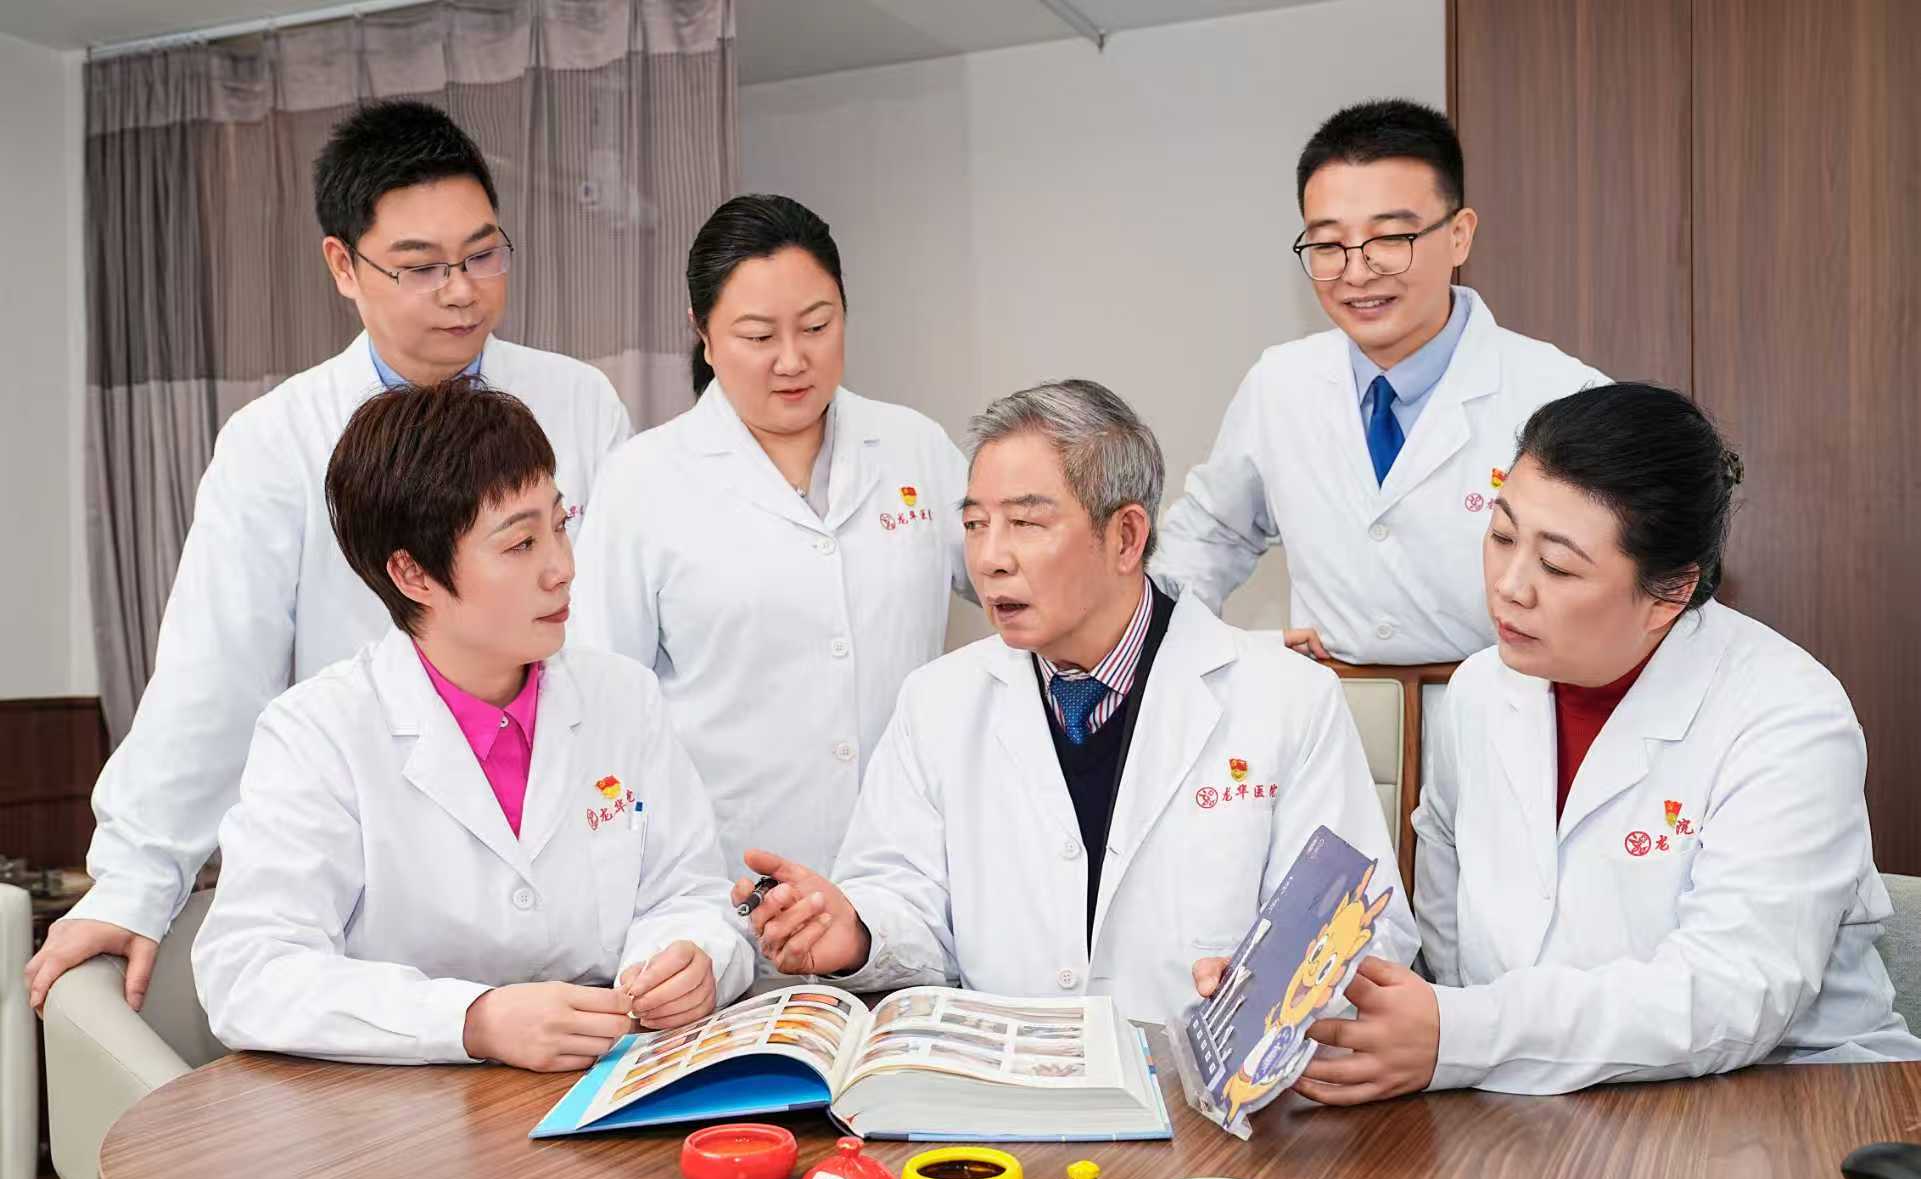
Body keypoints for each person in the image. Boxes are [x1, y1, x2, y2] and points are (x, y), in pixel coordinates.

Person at [27, 100, 630, 1013]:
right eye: (420, 267)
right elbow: (213, 677)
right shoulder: (276, 441)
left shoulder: (578, 403)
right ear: (343, 266)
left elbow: (614, 637)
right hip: (384, 889)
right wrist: (134, 881)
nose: (462, 292)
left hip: (569, 871)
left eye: (482, 255)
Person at [1236, 382, 1920, 1103]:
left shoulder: (1786, 716)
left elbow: (1733, 992)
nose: (1509, 586)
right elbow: (1447, 932)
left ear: (1669, 592)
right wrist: (1280, 996)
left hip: (1788, 1095)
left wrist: (1468, 1034)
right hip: (1527, 1098)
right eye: (1502, 537)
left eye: (1557, 567)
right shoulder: (1478, 691)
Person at [731, 379, 1415, 1025]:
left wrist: (1272, 985)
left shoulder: (1286, 699)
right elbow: (904, 900)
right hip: (1007, 1082)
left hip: (1200, 1094)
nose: (990, 558)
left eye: (1026, 523)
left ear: (1126, 537)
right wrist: (855, 931)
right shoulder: (936, 703)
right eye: (975, 524)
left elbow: (1366, 927)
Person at [192, 379, 750, 1068]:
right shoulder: (319, 734)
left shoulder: (622, 698)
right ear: (413, 574)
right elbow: (250, 971)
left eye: (560, 525)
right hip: (405, 1112)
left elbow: (690, 893)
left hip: (607, 1081)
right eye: (520, 544)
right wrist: (470, 1020)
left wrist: (691, 959)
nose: (562, 568)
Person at [572, 195, 971, 877]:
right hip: (728, 878)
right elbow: (601, 695)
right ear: (702, 333)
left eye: (817, 326)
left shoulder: (914, 447)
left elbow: (1020, 580)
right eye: (758, 337)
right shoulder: (643, 481)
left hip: (906, 871)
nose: (792, 360)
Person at [1153, 98, 1604, 665]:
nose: (1357, 272)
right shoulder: (1281, 384)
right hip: (1329, 709)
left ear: (1459, 235)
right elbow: (1209, 536)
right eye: (1327, 245)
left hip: (1507, 709)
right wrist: (1189, 647)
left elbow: (1618, 582)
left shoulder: (1564, 395)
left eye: (1390, 238)